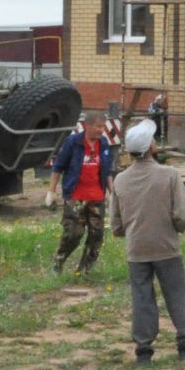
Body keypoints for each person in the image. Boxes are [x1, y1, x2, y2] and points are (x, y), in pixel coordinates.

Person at [109, 120, 185, 366]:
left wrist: (127, 231)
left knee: (142, 297)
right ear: (151, 147)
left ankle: (144, 350)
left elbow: (116, 223)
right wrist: (176, 228)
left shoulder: (120, 180)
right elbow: (182, 214)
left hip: (136, 248)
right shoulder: (169, 175)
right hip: (165, 246)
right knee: (176, 294)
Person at [49, 112, 115, 277]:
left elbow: (107, 170)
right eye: (98, 126)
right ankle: (59, 261)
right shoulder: (73, 142)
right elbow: (58, 167)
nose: (102, 130)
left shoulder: (104, 143)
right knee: (73, 234)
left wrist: (112, 192)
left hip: (97, 196)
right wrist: (51, 192)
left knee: (97, 236)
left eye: (103, 127)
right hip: (76, 197)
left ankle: (85, 270)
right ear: (87, 126)